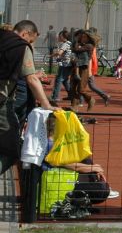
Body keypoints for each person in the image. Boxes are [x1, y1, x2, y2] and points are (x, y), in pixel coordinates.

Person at [0, 20, 52, 172]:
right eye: (31, 41)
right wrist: (46, 105)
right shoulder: (20, 46)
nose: (31, 44)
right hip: (2, 101)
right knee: (12, 151)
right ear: (25, 33)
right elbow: (31, 79)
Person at [50, 30, 73, 104]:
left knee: (59, 80)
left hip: (65, 64)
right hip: (68, 64)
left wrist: (53, 54)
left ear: (63, 37)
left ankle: (55, 97)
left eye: (60, 36)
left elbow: (60, 53)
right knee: (65, 80)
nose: (58, 37)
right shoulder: (69, 43)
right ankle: (71, 95)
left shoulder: (65, 44)